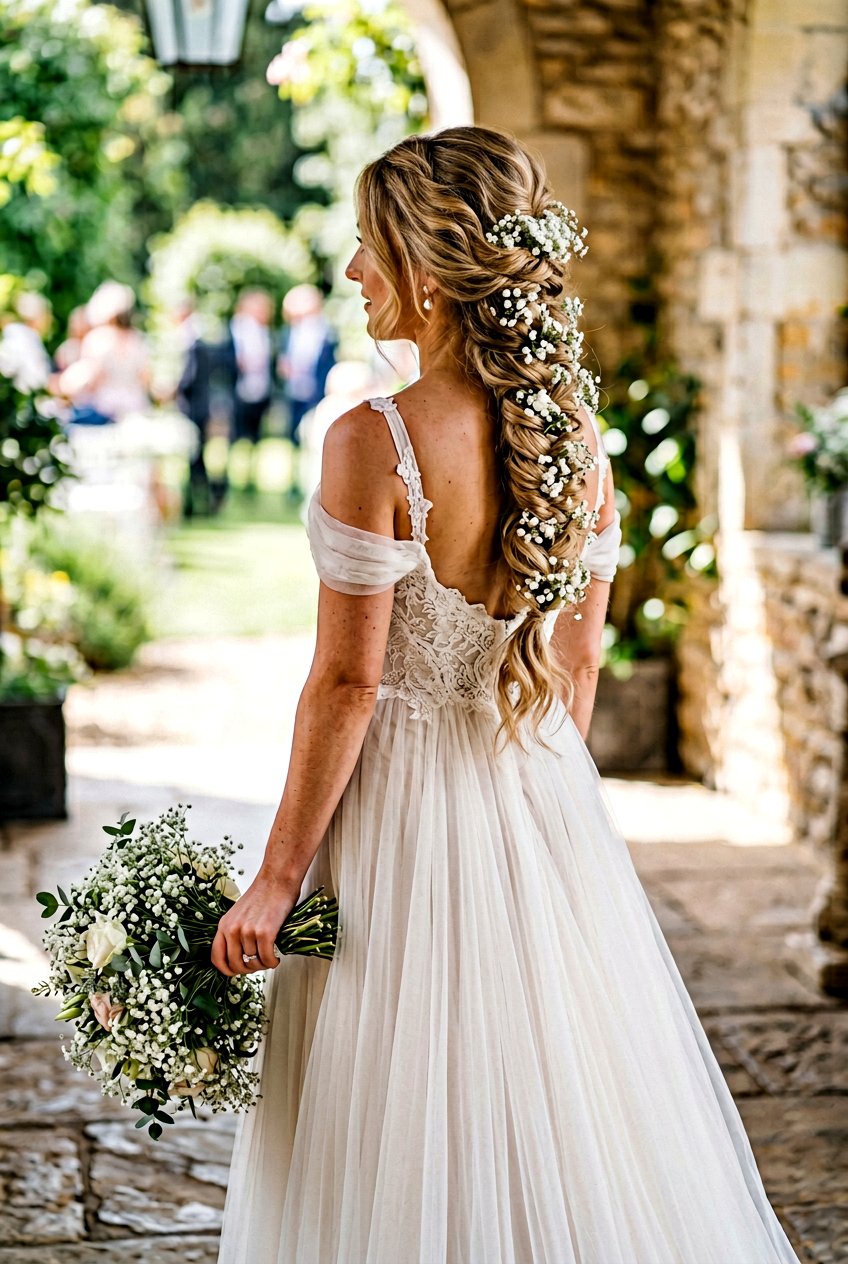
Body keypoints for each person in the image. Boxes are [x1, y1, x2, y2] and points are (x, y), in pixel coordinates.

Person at [213, 127, 801, 1264]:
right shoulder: (575, 437)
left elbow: (346, 680)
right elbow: (572, 666)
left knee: (379, 1101)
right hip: (535, 795)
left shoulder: (368, 440)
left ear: (429, 272)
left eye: (365, 249)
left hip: (391, 813)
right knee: (550, 1099)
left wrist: (277, 878)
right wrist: (539, 819)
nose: (350, 276)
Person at [278, 283, 337, 503]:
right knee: (294, 439)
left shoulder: (327, 332)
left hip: (317, 395)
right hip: (294, 392)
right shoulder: (288, 332)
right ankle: (294, 484)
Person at [60, 281, 149, 422]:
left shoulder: (97, 339)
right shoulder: (139, 340)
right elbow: (146, 379)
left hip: (105, 411)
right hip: (135, 408)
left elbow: (93, 378)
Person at [230, 288, 274, 491]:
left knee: (255, 437)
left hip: (259, 389)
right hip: (241, 390)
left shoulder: (262, 331)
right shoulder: (240, 328)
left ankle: (249, 478)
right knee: (238, 436)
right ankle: (236, 478)